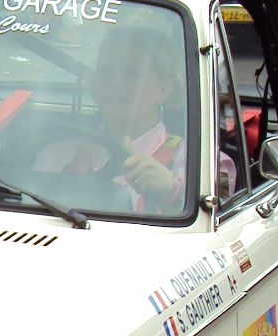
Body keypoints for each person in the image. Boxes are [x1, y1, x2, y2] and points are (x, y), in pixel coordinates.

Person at [32, 26, 191, 212]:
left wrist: (174, 191)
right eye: (106, 72)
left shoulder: (196, 164)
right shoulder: (55, 156)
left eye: (131, 74)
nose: (115, 83)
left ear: (164, 89)